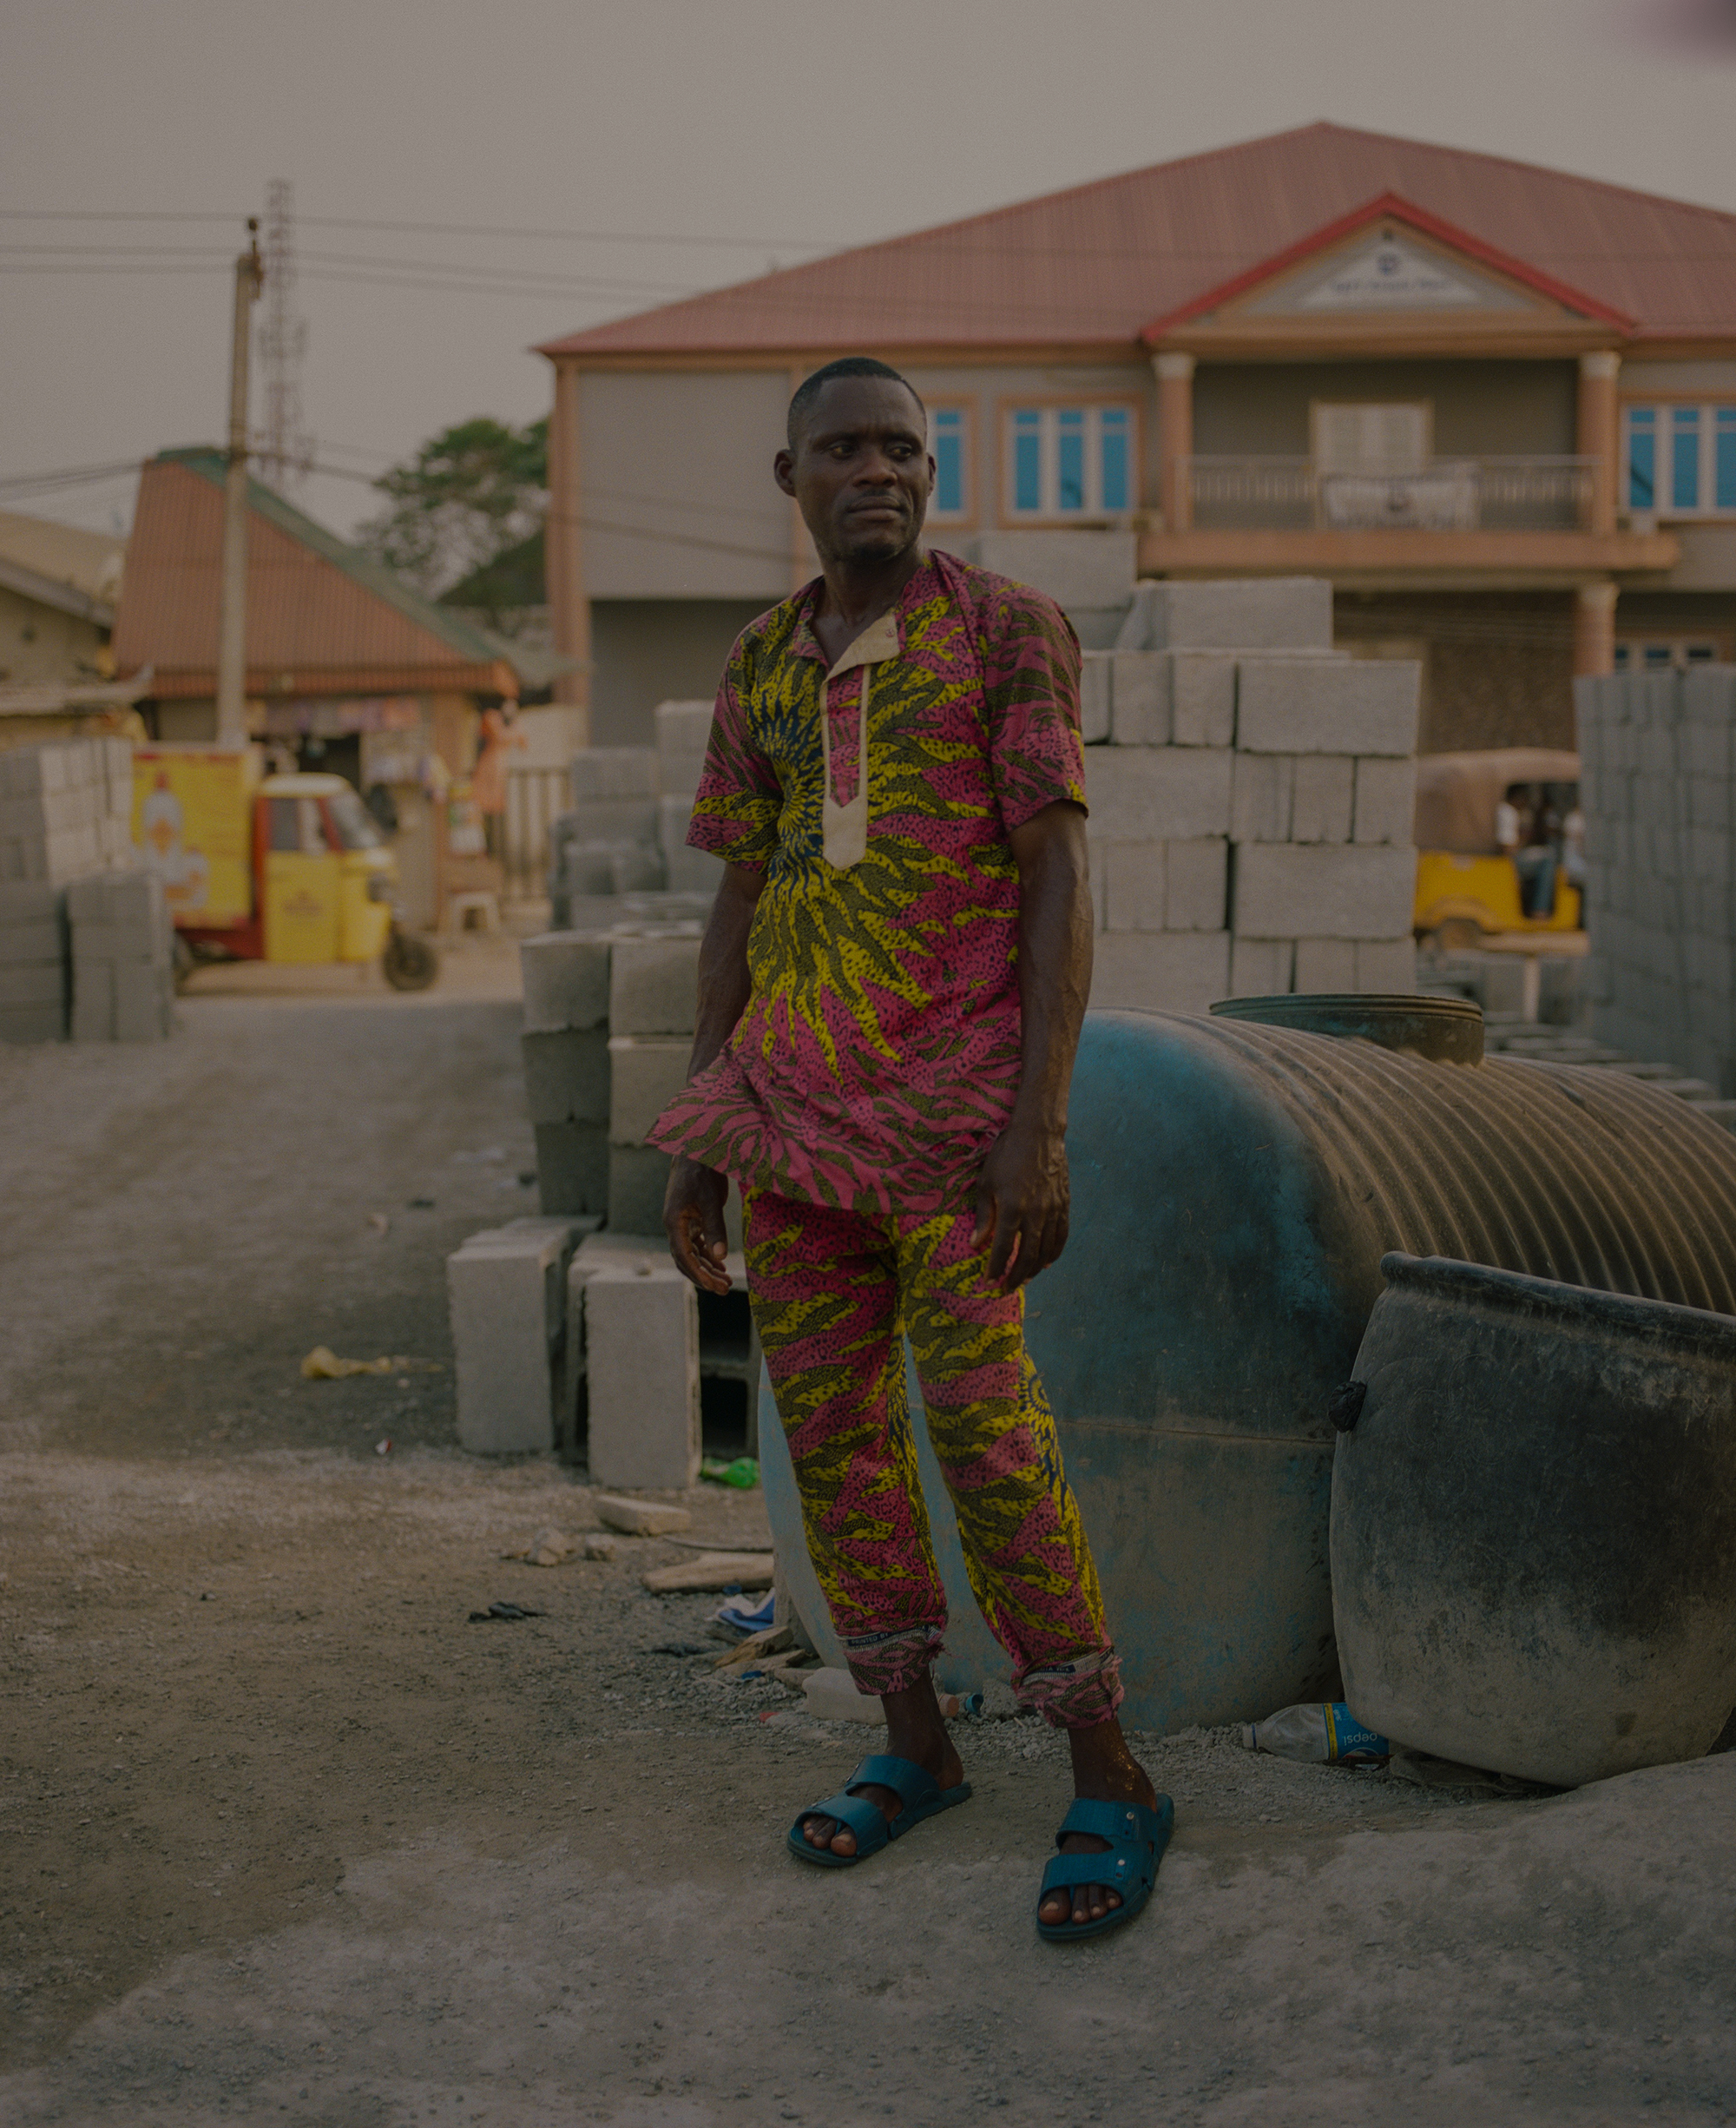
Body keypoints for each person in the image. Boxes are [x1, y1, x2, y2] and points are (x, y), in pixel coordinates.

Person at [651, 357, 1171, 1940]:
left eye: (903, 448)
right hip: (793, 1127)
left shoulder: (1006, 632)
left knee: (990, 1440)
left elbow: (1058, 875)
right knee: (837, 1449)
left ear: (931, 472)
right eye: (844, 449)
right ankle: (915, 1748)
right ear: (788, 475)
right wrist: (701, 1122)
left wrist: (1041, 1124)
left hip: (955, 1129)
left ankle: (1111, 1772)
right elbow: (741, 894)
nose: (876, 471)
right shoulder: (760, 665)